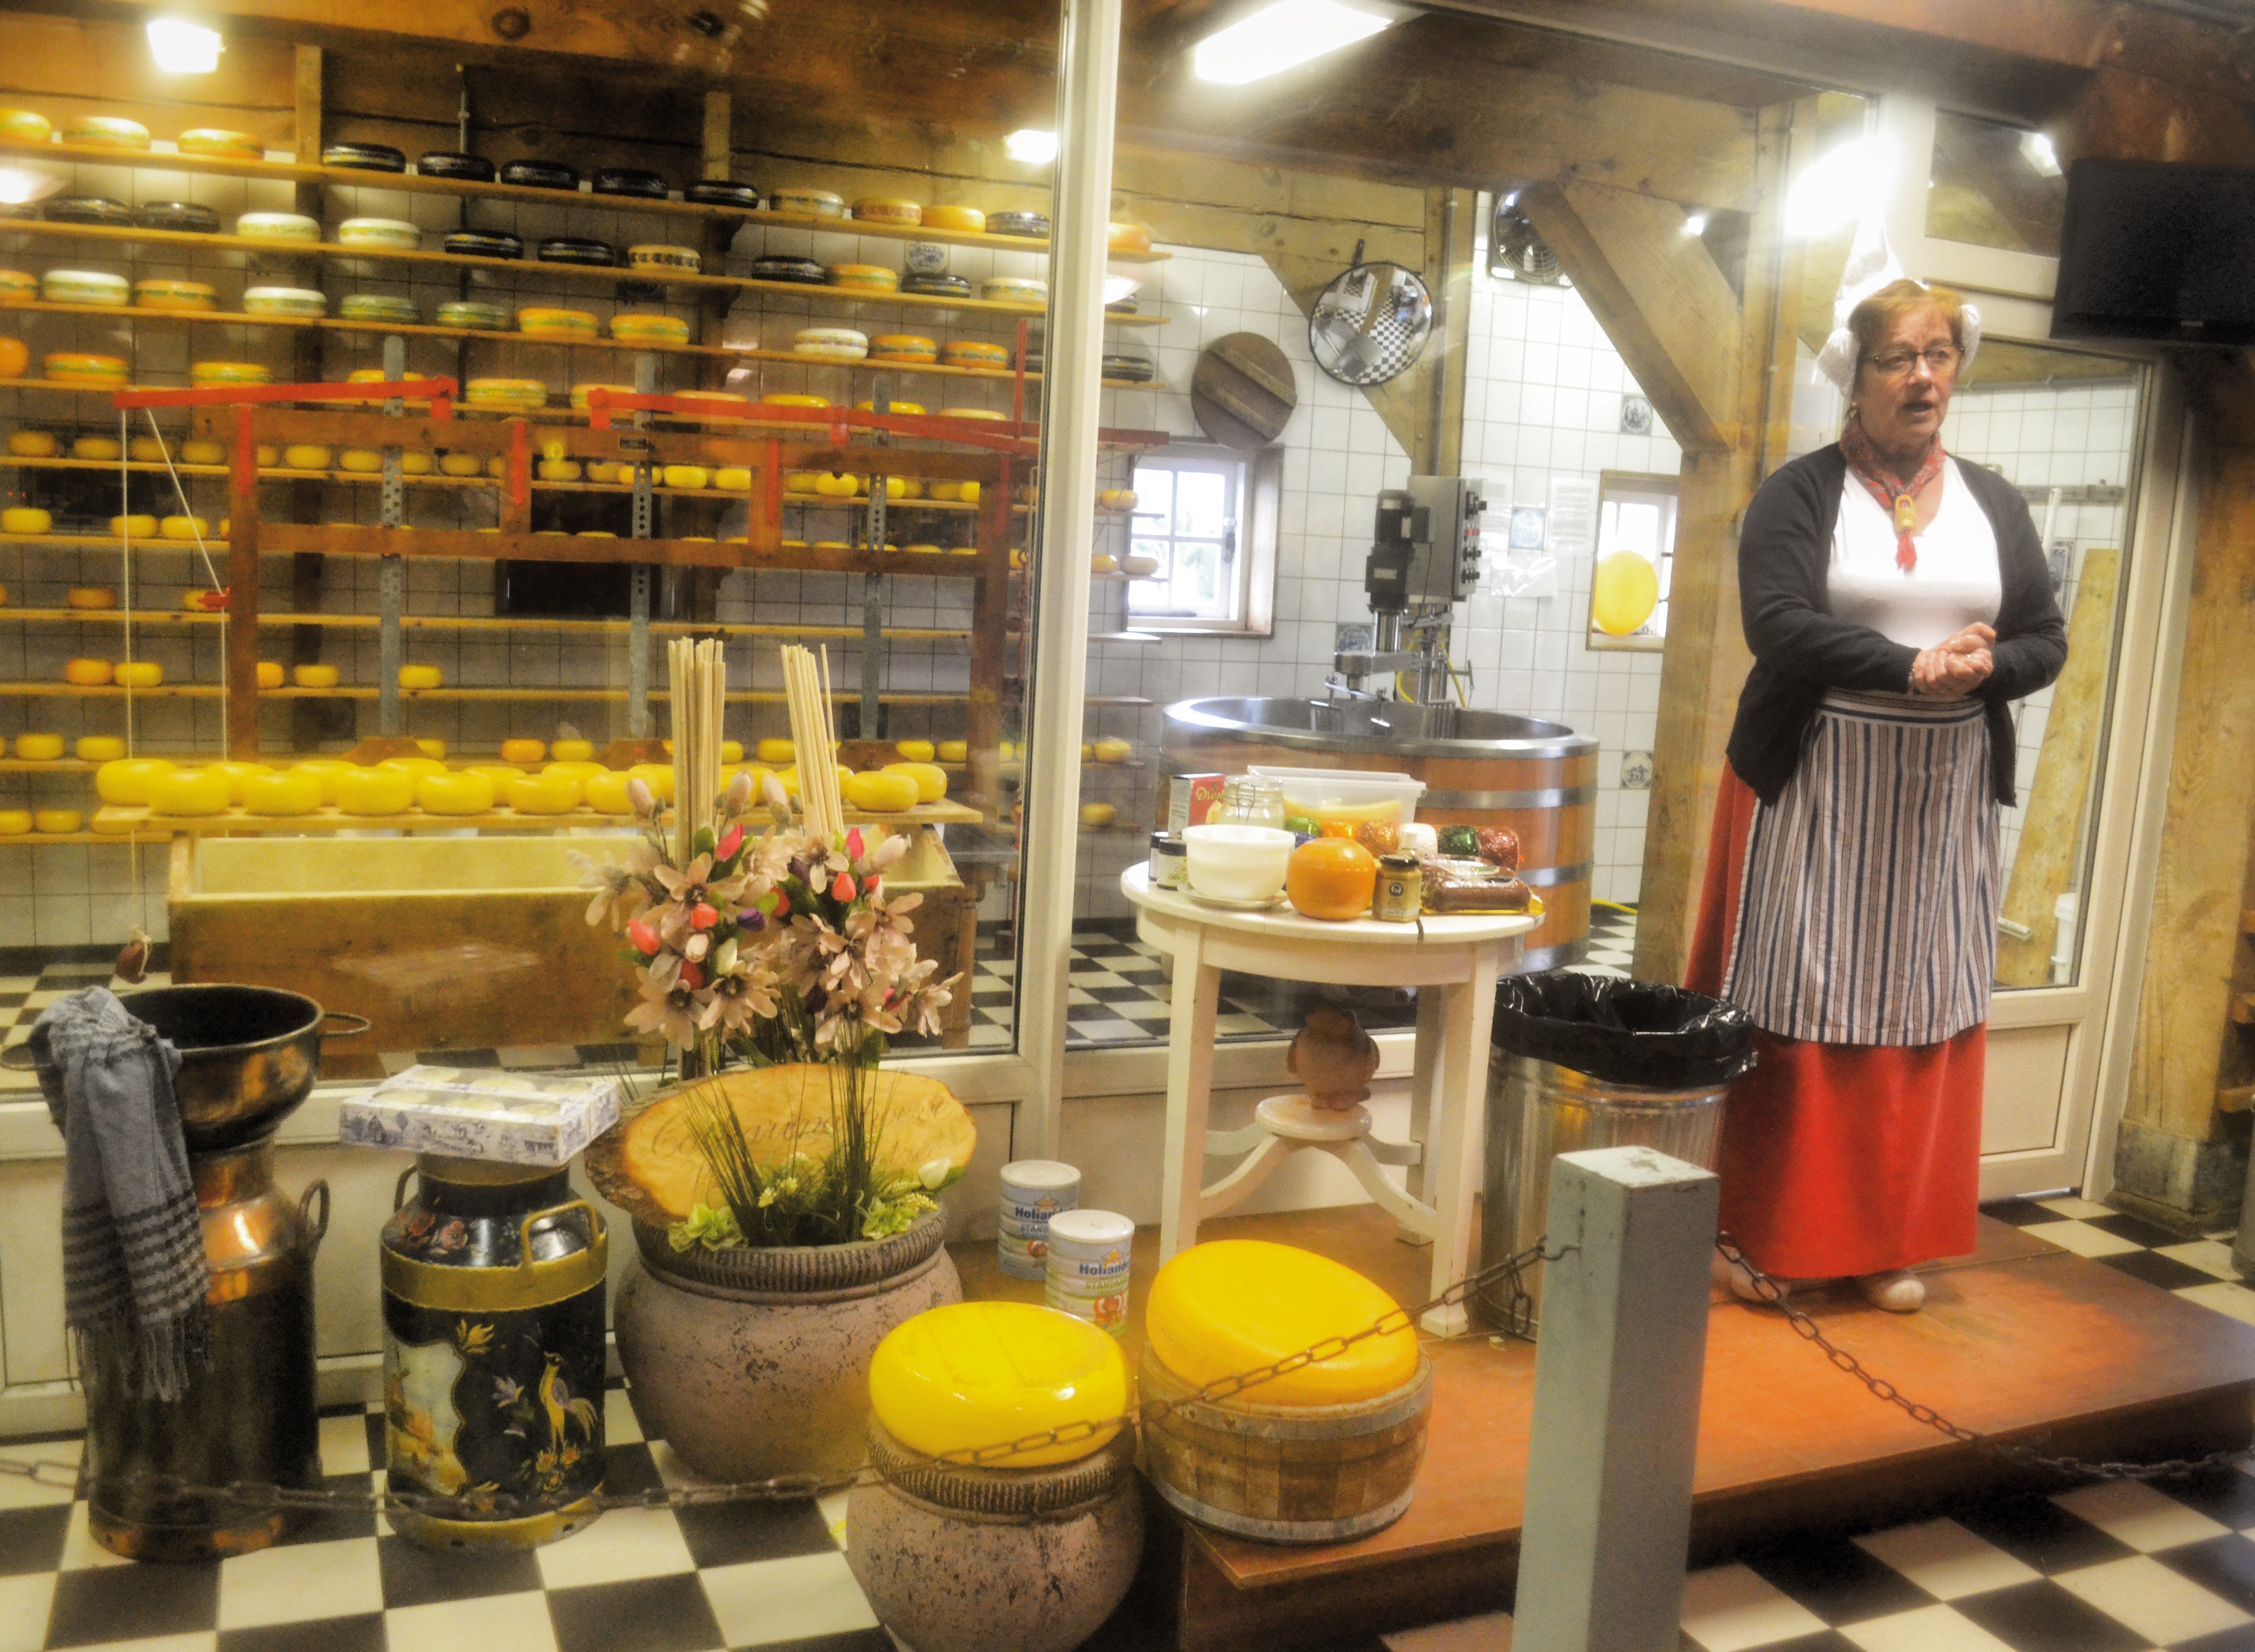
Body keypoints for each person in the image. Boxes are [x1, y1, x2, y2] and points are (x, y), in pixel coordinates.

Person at [1686, 277, 2067, 1313]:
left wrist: (1984, 671)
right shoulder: (1799, 493)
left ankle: (1886, 1238)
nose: (1924, 377)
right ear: (1852, 380)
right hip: (1817, 778)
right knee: (1805, 1002)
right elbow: (1778, 625)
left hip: (1941, 798)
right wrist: (1908, 667)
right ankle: (1760, 1232)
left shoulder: (1994, 502)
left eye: (1940, 355)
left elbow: (2046, 637)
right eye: (1900, 358)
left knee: (1914, 1007)